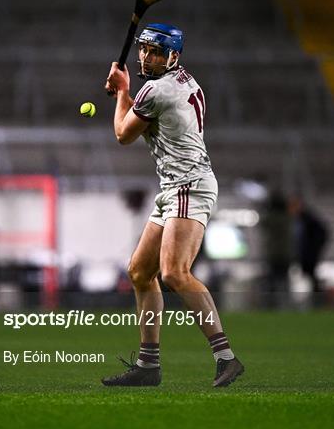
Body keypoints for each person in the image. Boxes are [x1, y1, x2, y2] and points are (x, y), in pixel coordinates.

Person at [102, 23, 244, 387]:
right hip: (175, 187)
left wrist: (122, 92)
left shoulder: (156, 90)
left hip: (189, 186)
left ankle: (226, 357)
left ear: (173, 56)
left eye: (156, 52)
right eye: (145, 50)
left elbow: (122, 134)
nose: (147, 58)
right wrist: (128, 96)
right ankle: (149, 366)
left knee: (174, 273)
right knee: (139, 272)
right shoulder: (184, 81)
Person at [289, 197, 330, 296]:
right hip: (305, 254)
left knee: (311, 277)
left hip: (309, 255)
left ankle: (317, 300)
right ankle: (314, 299)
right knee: (309, 277)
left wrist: (314, 249)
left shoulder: (308, 219)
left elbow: (322, 234)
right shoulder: (301, 219)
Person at [260, 191, 293, 309]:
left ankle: (272, 305)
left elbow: (262, 223)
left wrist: (264, 209)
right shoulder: (288, 218)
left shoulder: (272, 218)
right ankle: (286, 305)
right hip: (286, 254)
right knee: (284, 281)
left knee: (272, 281)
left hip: (274, 254)